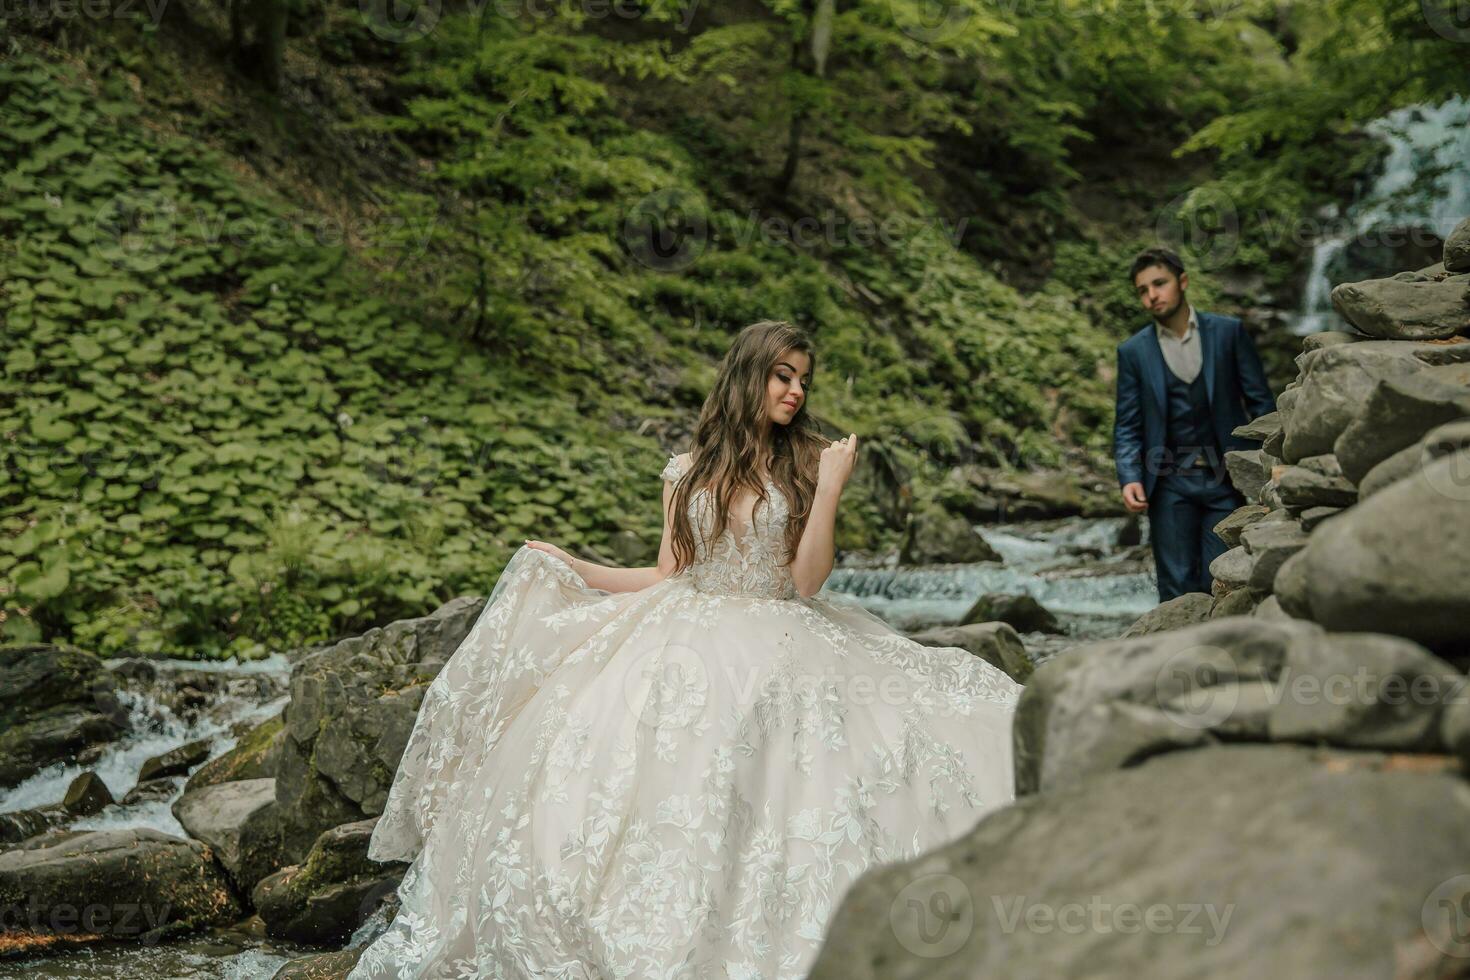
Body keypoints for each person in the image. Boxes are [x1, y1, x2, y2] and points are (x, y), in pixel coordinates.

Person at [346, 319, 1023, 980]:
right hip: (684, 625)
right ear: (748, 376)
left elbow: (808, 582)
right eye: (782, 375)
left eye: (803, 381)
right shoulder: (686, 469)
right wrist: (570, 565)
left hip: (783, 627)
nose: (794, 391)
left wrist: (833, 487)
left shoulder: (808, 464)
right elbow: (668, 573)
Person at [1113, 247, 1276, 603]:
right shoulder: (1133, 352)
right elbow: (1127, 423)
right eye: (1143, 290)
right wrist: (1129, 477)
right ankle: (1175, 657)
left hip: (1224, 478)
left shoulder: (1228, 333)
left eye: (1159, 283)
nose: (1152, 295)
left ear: (1182, 282)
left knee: (1224, 577)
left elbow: (1262, 404)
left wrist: (1263, 467)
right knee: (1174, 587)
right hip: (1167, 482)